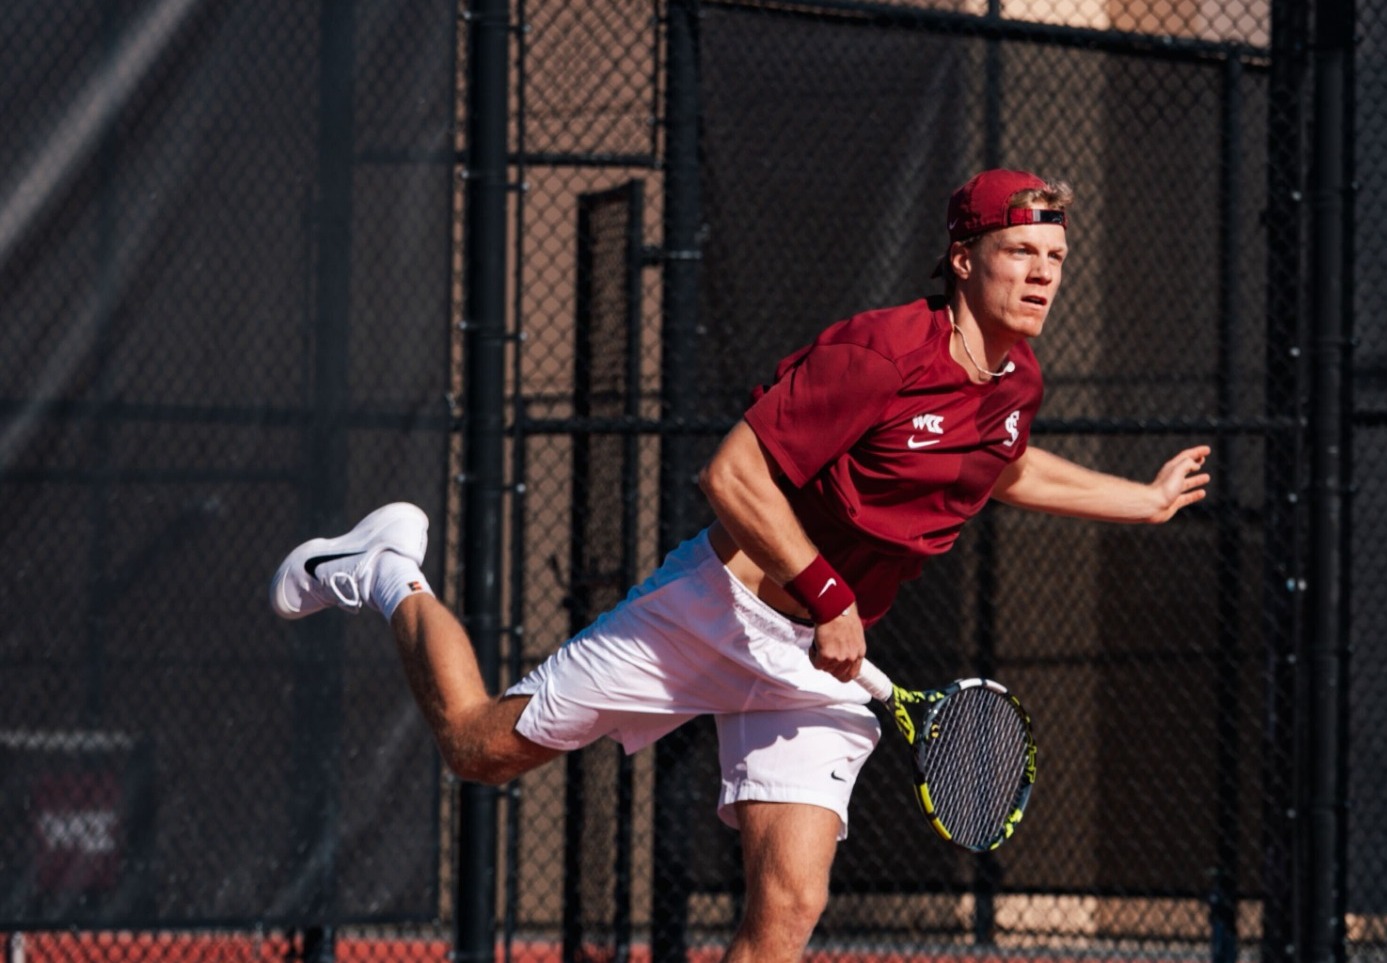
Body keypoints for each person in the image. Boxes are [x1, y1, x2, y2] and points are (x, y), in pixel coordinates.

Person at [270, 168, 1211, 962]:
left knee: (787, 909)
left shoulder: (1017, 382)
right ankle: (389, 567)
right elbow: (731, 473)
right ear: (965, 259)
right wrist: (830, 591)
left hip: (817, 669)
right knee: (478, 748)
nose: (1043, 274)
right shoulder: (880, 354)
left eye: (1054, 258)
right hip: (715, 610)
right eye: (1020, 253)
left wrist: (1145, 498)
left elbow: (999, 462)